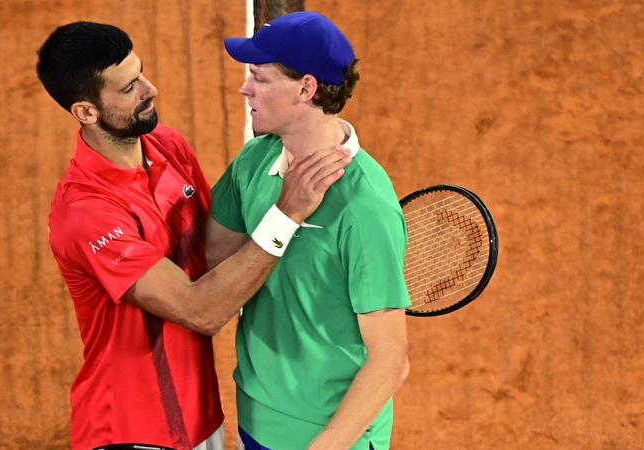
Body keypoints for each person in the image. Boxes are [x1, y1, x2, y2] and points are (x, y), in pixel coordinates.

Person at [35, 21, 351, 450]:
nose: (150, 90)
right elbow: (199, 310)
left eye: (141, 73)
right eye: (129, 88)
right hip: (131, 430)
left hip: (199, 417)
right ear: (86, 112)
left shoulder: (167, 145)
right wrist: (288, 213)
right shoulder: (87, 213)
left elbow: (214, 252)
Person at [207, 11, 411, 450]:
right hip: (255, 417)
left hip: (326, 435)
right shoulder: (254, 161)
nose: (245, 88)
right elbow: (212, 262)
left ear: (306, 88)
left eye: (260, 78)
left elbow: (390, 361)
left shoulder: (365, 206)